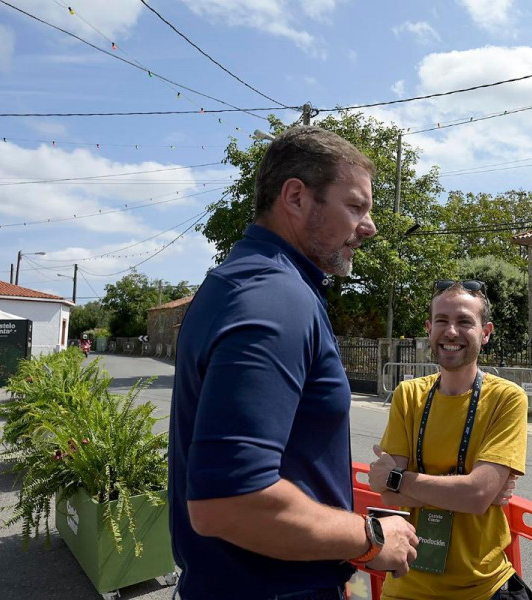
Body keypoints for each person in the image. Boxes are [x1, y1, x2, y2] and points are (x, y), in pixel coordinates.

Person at [168, 126, 418, 600]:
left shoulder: (242, 282)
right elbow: (228, 502)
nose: (369, 227)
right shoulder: (275, 298)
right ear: (296, 197)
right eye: (355, 206)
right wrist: (370, 538)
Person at [368, 280, 532, 600]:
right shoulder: (408, 395)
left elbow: (475, 496)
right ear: (430, 329)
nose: (451, 332)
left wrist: (397, 477)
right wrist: (462, 488)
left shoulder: (507, 399)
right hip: (406, 587)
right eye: (442, 321)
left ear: (485, 332)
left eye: (464, 322)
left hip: (481, 587)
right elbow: (389, 497)